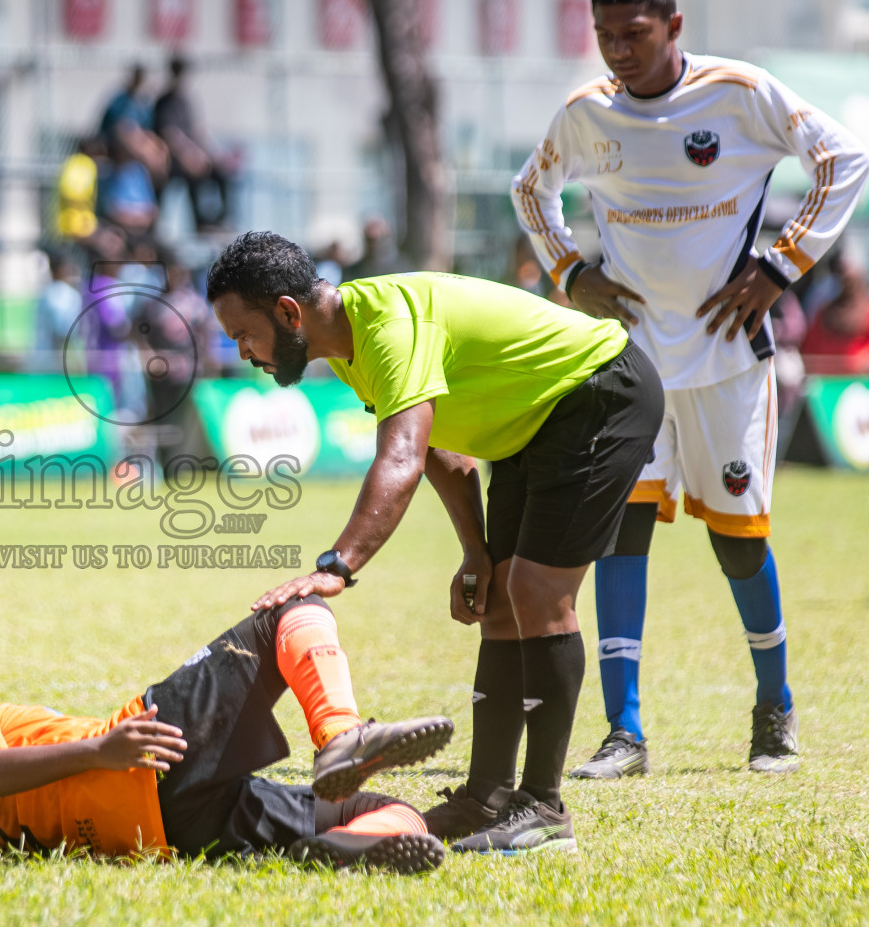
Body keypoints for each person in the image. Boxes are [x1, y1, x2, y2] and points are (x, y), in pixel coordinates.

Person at [512, 0, 869, 780]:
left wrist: (781, 267)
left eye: (633, 36)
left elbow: (843, 160)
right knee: (619, 535)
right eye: (604, 38)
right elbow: (531, 193)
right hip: (632, 366)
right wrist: (572, 273)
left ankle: (773, 708)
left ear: (675, 28)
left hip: (726, 365)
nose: (618, 54)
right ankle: (625, 732)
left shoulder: (739, 94)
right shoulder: (586, 114)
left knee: (738, 544)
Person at [205, 232, 665, 855]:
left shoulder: (386, 326)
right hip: (535, 422)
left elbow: (403, 455)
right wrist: (476, 553)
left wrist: (338, 566)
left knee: (538, 592)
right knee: (501, 597)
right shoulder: (348, 349)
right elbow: (443, 453)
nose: (243, 352)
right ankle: (485, 799)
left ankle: (544, 808)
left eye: (245, 334)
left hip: (599, 393)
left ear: (288, 312)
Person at [0, 594, 454, 873]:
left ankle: (337, 849)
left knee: (385, 807)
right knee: (289, 610)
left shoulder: (8, 837)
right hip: (150, 749)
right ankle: (343, 734)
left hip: (176, 832)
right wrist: (103, 748)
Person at [153, 55, 229, 232]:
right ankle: (191, 223)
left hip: (190, 154)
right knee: (192, 173)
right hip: (171, 159)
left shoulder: (186, 100)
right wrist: (189, 154)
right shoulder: (165, 101)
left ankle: (215, 218)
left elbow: (196, 131)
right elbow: (169, 134)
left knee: (220, 172)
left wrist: (212, 153)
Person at [801, 245, 869, 375]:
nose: (847, 284)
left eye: (850, 280)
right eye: (844, 279)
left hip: (860, 380)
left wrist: (867, 359)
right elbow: (811, 345)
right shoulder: (826, 310)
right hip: (828, 380)